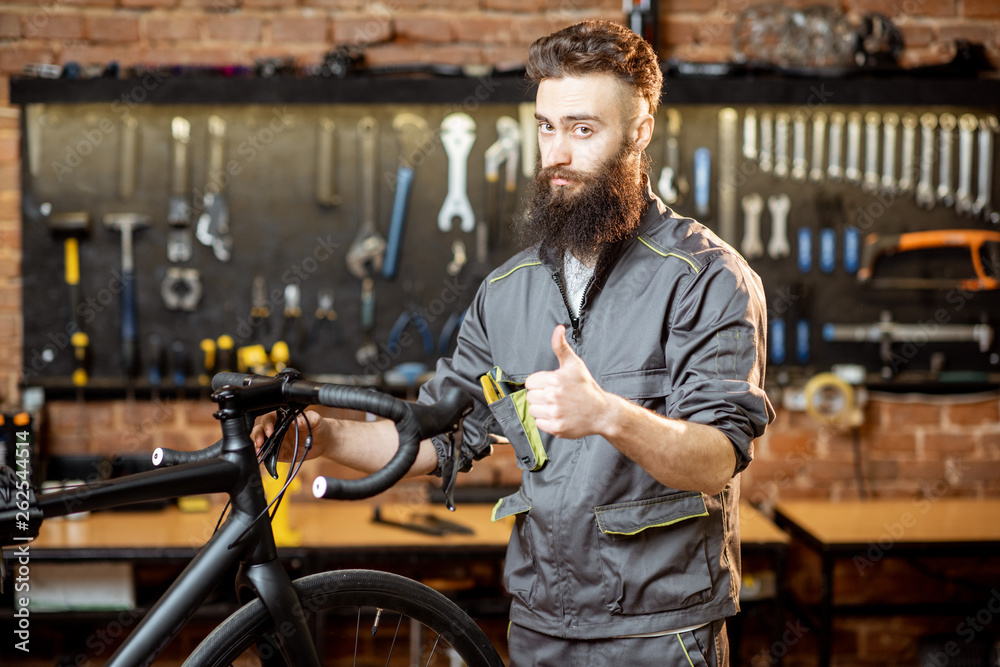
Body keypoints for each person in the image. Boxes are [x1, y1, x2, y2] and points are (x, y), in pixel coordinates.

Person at [254, 19, 773, 666]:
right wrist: (325, 438)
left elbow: (717, 457)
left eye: (583, 129)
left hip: (657, 634)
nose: (556, 153)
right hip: (541, 627)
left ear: (639, 132)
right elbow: (439, 432)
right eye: (546, 127)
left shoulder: (706, 279)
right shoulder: (509, 290)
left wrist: (608, 415)